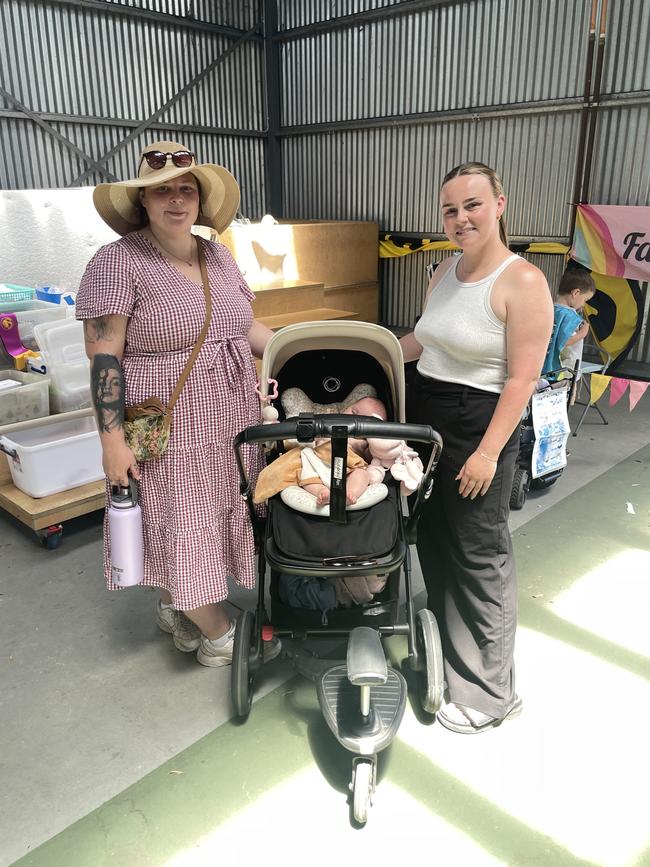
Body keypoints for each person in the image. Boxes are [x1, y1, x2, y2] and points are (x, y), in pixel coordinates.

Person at [76, 140, 280, 667]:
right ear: (141, 201)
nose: (175, 199)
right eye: (160, 190)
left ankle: (177, 606)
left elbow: (242, 326)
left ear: (200, 199)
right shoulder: (117, 263)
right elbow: (103, 360)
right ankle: (217, 633)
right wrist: (111, 441)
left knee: (214, 516)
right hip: (171, 431)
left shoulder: (216, 254)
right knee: (183, 522)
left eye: (185, 188)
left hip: (231, 419)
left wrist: (304, 345)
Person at [400, 161, 553, 734]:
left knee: (478, 553)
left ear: (499, 205)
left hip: (479, 423)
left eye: (472, 205)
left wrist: (488, 453)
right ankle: (449, 650)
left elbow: (521, 379)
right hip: (428, 415)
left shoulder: (523, 282)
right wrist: (372, 347)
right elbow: (423, 338)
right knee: (433, 536)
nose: (460, 218)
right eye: (450, 209)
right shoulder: (444, 270)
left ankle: (491, 693)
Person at [254, 396, 391, 507]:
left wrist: (376, 441)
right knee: (307, 476)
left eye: (366, 419)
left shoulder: (365, 442)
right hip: (317, 463)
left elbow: (374, 455)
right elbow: (305, 441)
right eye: (354, 412)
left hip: (348, 469)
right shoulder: (328, 424)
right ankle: (323, 493)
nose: (355, 419)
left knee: (362, 474)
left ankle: (350, 493)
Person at [542, 269, 596, 376]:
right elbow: (565, 341)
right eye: (585, 299)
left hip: (544, 365)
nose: (584, 304)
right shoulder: (571, 317)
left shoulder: (550, 309)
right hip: (563, 371)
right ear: (576, 293)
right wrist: (583, 333)